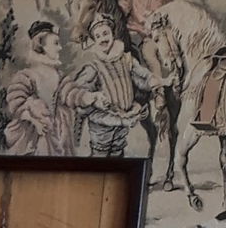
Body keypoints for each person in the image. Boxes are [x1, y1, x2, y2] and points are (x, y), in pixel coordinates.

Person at [58, 12, 164, 158]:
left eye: (105, 33)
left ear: (112, 35)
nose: (103, 38)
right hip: (102, 121)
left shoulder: (125, 59)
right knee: (101, 151)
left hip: (124, 117)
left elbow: (140, 77)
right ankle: (96, 177)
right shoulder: (93, 65)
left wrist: (151, 81)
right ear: (94, 40)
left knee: (117, 150)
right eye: (98, 36)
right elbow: (78, 90)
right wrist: (93, 97)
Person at [3, 20, 69, 155]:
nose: (60, 48)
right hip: (30, 134)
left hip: (54, 132)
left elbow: (71, 93)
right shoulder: (28, 76)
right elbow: (15, 103)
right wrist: (34, 121)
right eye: (56, 43)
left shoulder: (60, 76)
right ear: (41, 46)